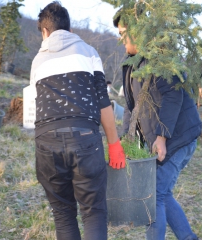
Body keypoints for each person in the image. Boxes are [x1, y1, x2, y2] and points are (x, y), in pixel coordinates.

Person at [30, 2, 126, 240]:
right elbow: (103, 103)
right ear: (69, 29)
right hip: (84, 139)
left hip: (46, 142)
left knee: (63, 214)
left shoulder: (37, 61)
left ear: (45, 32)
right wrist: (114, 144)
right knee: (93, 212)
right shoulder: (88, 52)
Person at [113, 10, 202, 240]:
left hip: (178, 137)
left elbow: (174, 96)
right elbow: (131, 107)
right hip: (169, 137)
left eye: (123, 34)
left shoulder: (161, 57)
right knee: (162, 193)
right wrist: (125, 138)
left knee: (154, 196)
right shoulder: (131, 64)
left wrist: (161, 136)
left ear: (138, 31)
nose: (119, 39)